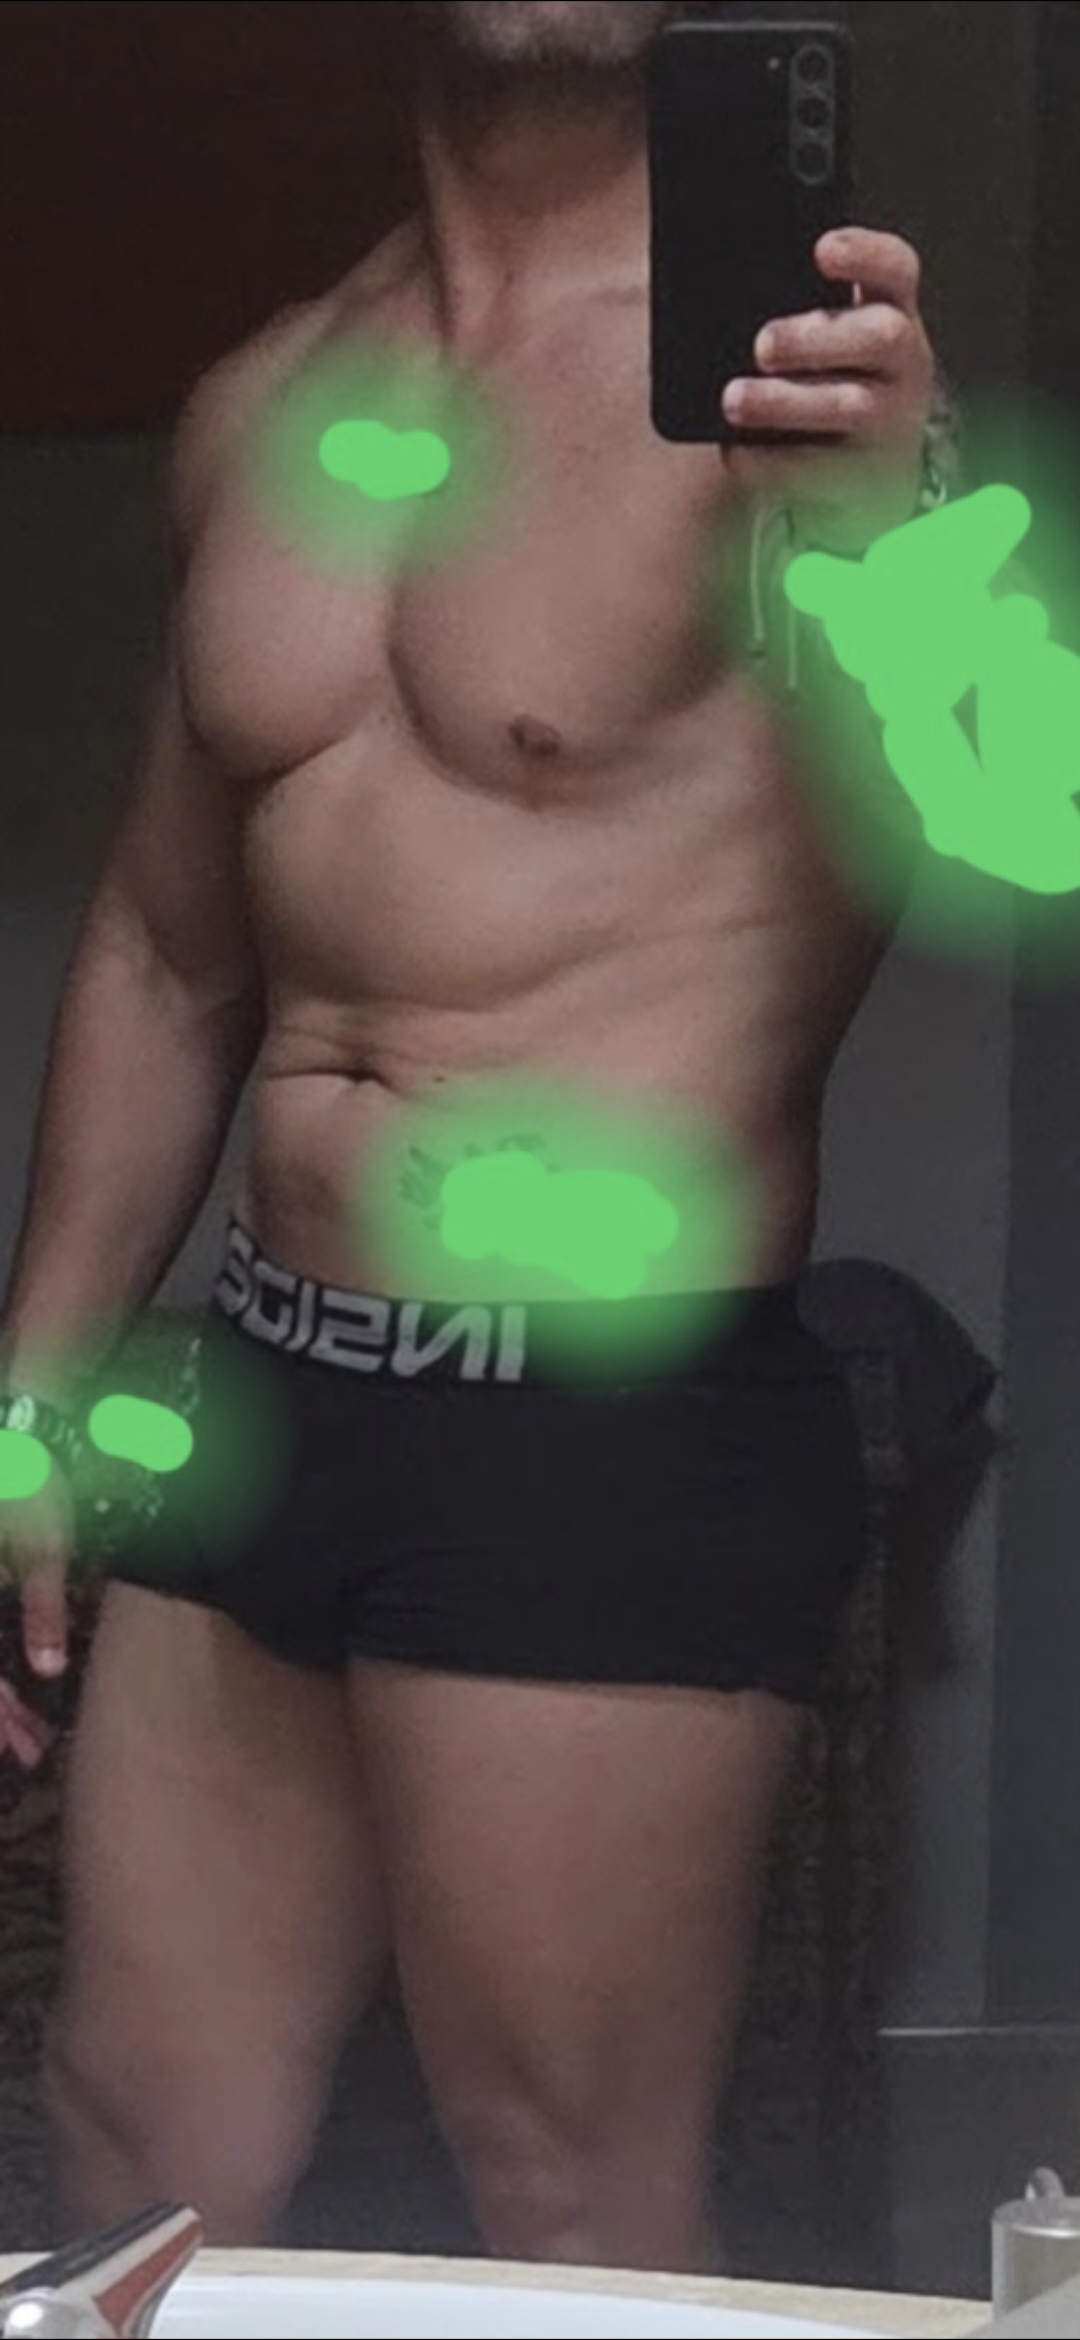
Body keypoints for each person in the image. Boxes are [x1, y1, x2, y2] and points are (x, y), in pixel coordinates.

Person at [0, 0, 942, 2274]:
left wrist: (905, 542)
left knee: (568, 2202)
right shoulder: (271, 395)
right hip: (265, 1375)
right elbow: (165, 948)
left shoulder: (797, 394)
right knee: (136, 2144)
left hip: (596, 1425)